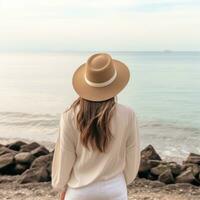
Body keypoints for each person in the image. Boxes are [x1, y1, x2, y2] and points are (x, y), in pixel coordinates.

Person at [51, 53, 141, 200]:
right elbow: (132, 154)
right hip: (114, 189)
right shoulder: (128, 114)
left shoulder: (69, 115)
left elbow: (65, 156)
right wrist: (124, 181)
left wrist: (60, 186)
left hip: (79, 191)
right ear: (115, 84)